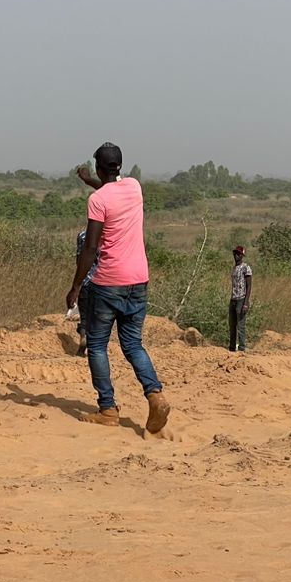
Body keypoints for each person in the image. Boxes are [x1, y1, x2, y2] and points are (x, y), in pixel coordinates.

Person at [66, 143, 171, 435]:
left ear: (99, 166)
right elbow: (111, 190)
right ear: (120, 166)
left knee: (97, 346)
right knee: (133, 345)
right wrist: (91, 182)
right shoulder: (135, 188)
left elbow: (90, 248)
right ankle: (155, 395)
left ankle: (108, 409)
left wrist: (75, 287)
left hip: (108, 282)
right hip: (139, 280)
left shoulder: (97, 201)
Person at [72, 226, 100, 356]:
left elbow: (79, 260)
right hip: (102, 283)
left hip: (85, 282)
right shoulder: (107, 236)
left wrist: (77, 285)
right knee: (98, 316)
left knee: (85, 315)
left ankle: (83, 336)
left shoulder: (82, 235)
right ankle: (94, 346)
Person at [228, 245, 252, 352]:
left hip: (241, 299)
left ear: (242, 255)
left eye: (238, 254)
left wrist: (246, 303)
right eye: (235, 253)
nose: (236, 256)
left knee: (241, 325)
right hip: (233, 298)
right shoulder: (234, 268)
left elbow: (249, 285)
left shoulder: (246, 267)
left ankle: (242, 348)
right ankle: (232, 347)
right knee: (232, 324)